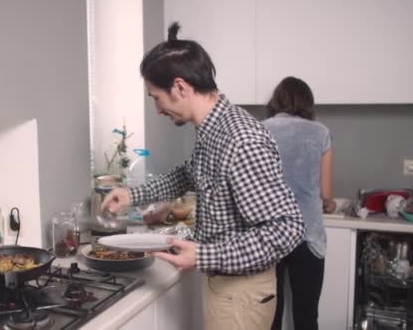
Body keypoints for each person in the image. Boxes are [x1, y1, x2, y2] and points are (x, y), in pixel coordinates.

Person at [101, 22, 305, 330]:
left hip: (241, 296)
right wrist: (132, 194)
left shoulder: (240, 139)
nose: (156, 108)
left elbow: (286, 228)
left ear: (180, 87)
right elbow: (188, 174)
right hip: (226, 288)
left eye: (155, 97)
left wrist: (204, 254)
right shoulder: (213, 130)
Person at [262, 76, 336, 330]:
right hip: (308, 235)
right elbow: (325, 193)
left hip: (269, 234)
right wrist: (330, 204)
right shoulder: (321, 132)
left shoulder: (259, 129)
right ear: (308, 103)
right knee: (306, 316)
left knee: (270, 314)